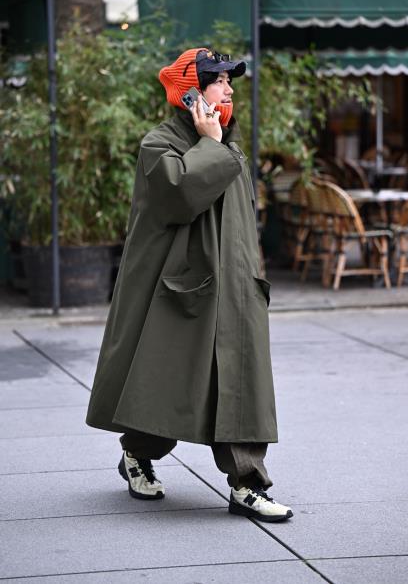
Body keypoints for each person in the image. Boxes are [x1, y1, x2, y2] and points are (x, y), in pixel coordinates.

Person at [86, 48, 293, 523]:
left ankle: (247, 484)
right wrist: (210, 143)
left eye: (229, 81)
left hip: (235, 288)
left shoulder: (228, 144)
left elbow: (241, 223)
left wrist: (252, 279)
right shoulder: (159, 145)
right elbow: (181, 197)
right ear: (191, 92)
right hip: (179, 290)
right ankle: (137, 453)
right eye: (219, 81)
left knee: (241, 386)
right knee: (165, 387)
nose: (229, 89)